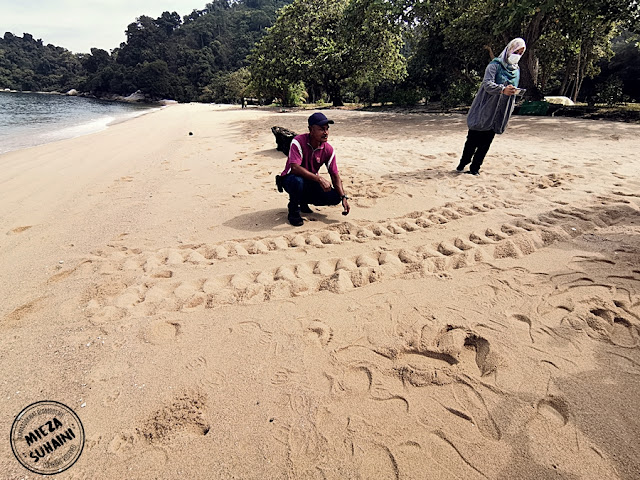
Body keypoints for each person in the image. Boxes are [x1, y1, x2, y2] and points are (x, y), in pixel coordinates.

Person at [457, 38, 526, 176]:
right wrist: (502, 89)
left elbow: (511, 87)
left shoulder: (516, 70)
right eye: (516, 51)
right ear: (509, 49)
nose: (517, 55)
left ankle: (475, 167)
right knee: (473, 137)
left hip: (500, 109)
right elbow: (487, 84)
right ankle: (464, 162)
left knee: (487, 140)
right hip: (486, 106)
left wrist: (514, 91)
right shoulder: (494, 65)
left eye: (520, 53)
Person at [276, 112, 350, 226]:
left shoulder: (328, 149)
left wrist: (343, 197)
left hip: (310, 181)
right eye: (321, 129)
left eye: (327, 129)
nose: (325, 132)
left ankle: (303, 200)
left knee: (335, 197)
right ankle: (293, 209)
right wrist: (319, 179)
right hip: (290, 179)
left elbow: (335, 175)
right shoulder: (298, 141)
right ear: (311, 129)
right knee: (297, 181)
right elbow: (294, 168)